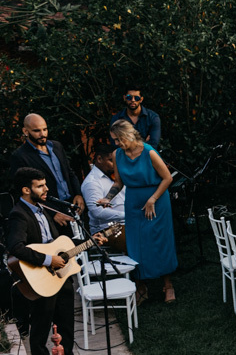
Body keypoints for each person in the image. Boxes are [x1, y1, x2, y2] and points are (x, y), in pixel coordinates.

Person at [7, 168, 106, 355]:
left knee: (66, 322)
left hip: (61, 278)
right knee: (41, 326)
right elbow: (15, 247)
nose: (47, 189)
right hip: (41, 279)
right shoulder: (19, 214)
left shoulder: (44, 209)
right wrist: (47, 260)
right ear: (26, 190)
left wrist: (91, 241)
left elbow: (56, 243)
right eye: (40, 186)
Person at [99, 120, 177, 302]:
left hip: (156, 200)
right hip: (133, 203)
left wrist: (152, 199)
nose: (116, 144)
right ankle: (141, 285)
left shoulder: (149, 152)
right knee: (137, 243)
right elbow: (118, 182)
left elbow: (167, 178)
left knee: (160, 241)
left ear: (128, 135)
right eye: (114, 140)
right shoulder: (117, 154)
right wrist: (107, 198)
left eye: (118, 139)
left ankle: (168, 285)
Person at [9, 114, 83, 222]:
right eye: (36, 131)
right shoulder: (20, 156)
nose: (42, 134)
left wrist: (78, 194)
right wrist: (52, 213)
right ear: (25, 131)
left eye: (45, 129)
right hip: (51, 212)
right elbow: (24, 191)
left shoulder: (56, 146)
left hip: (71, 205)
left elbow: (69, 172)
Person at [80, 143, 126, 250]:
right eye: (111, 161)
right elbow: (98, 212)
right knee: (138, 239)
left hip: (127, 223)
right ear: (99, 159)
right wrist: (128, 215)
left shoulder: (118, 176)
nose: (116, 165)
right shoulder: (92, 183)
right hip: (107, 229)